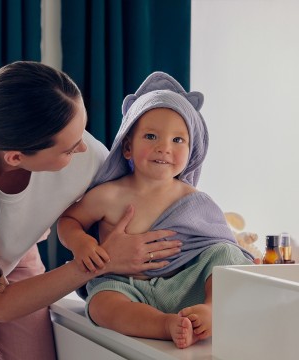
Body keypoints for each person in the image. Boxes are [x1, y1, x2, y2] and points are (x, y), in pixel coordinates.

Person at [0, 62, 182, 360]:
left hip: (13, 247)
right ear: (16, 157)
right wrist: (100, 262)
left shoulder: (90, 155)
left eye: (82, 132)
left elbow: (142, 204)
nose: (82, 149)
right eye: (68, 149)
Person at [58, 71, 255, 349]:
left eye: (178, 140)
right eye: (151, 136)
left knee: (226, 253)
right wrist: (81, 243)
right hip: (126, 287)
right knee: (101, 305)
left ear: (192, 152)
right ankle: (164, 325)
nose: (164, 148)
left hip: (185, 284)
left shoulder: (195, 199)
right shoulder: (109, 194)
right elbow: (69, 220)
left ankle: (211, 309)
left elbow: (219, 245)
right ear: (127, 146)